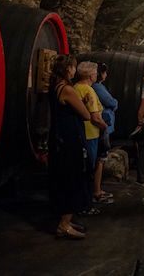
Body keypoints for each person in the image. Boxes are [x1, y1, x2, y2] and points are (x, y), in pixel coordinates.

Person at [48, 55, 91, 239]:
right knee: (71, 178)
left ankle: (66, 219)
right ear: (67, 69)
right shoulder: (67, 90)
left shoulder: (55, 87)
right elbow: (86, 115)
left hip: (59, 137)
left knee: (64, 177)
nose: (75, 70)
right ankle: (63, 225)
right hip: (69, 139)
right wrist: (87, 103)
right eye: (73, 67)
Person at [74, 61, 110, 213]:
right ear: (90, 75)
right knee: (88, 170)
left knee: (82, 170)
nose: (96, 75)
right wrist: (105, 126)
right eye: (95, 73)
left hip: (81, 134)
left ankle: (82, 202)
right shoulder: (88, 90)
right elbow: (95, 117)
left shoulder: (76, 87)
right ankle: (86, 205)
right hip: (91, 134)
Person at [92, 62, 118, 202]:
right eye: (105, 72)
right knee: (100, 159)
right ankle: (97, 191)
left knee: (99, 159)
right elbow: (111, 102)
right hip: (102, 126)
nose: (106, 75)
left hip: (102, 126)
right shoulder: (97, 87)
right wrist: (114, 103)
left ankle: (97, 190)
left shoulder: (95, 87)